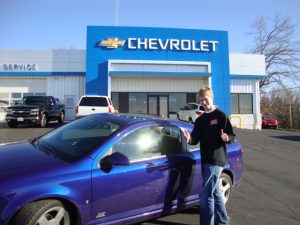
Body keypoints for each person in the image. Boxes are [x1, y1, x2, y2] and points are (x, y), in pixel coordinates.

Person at [184, 86, 235, 225]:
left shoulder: (221, 116)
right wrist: (189, 139)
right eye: (201, 100)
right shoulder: (201, 120)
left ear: (212, 98)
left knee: (206, 195)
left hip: (216, 160)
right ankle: (223, 221)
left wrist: (226, 138)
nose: (204, 103)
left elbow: (232, 135)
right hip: (205, 159)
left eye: (206, 99)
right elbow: (195, 138)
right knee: (216, 192)